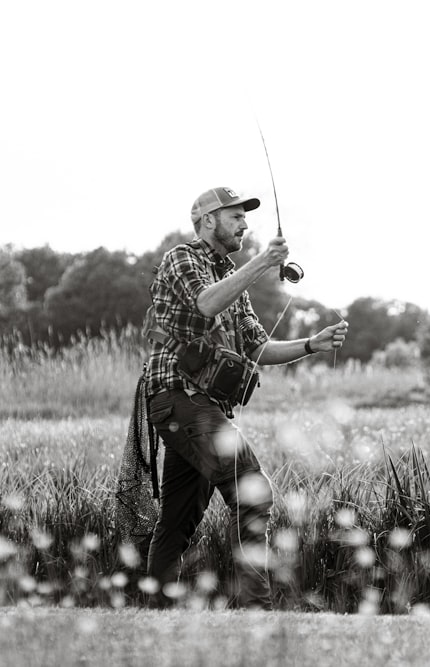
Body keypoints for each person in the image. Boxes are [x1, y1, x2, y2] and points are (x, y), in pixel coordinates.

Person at [143, 186, 348, 608]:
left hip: (202, 408)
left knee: (178, 521)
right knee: (252, 488)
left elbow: (258, 348)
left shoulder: (234, 280)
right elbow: (204, 304)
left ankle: (155, 610)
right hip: (178, 396)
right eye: (235, 216)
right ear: (207, 220)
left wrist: (313, 343)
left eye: (245, 217)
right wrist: (262, 262)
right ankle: (257, 607)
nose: (244, 224)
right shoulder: (182, 258)